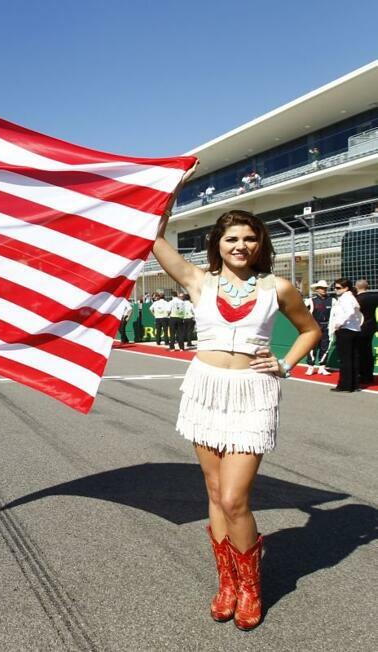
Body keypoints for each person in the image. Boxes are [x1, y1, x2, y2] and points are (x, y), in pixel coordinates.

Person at [152, 208, 319, 630]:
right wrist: (170, 191)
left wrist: (284, 365)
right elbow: (152, 239)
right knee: (213, 490)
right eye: (231, 239)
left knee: (234, 498)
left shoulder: (278, 287)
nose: (240, 246)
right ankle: (227, 582)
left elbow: (310, 330)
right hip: (205, 389)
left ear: (260, 243)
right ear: (218, 245)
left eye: (248, 238)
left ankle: (251, 587)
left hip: (252, 391)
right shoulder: (196, 281)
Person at [329, 279, 363, 392]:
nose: (335, 290)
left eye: (338, 288)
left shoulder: (345, 298)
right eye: (335, 287)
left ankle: (345, 385)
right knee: (353, 358)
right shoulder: (351, 297)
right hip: (353, 330)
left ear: (346, 288)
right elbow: (358, 313)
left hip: (345, 330)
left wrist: (339, 323)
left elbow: (350, 312)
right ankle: (354, 385)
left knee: (345, 359)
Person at [304, 280, 332, 375]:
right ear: (317, 289)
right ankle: (310, 367)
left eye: (325, 288)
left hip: (327, 326)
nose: (324, 290)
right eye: (321, 288)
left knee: (325, 347)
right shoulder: (310, 300)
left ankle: (322, 367)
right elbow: (303, 313)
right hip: (314, 326)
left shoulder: (332, 300)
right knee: (312, 347)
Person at [354, 279, 377, 385]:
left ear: (356, 287)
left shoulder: (356, 299)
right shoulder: (374, 296)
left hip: (360, 327)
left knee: (360, 352)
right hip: (371, 326)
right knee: (367, 351)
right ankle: (369, 375)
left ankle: (362, 375)